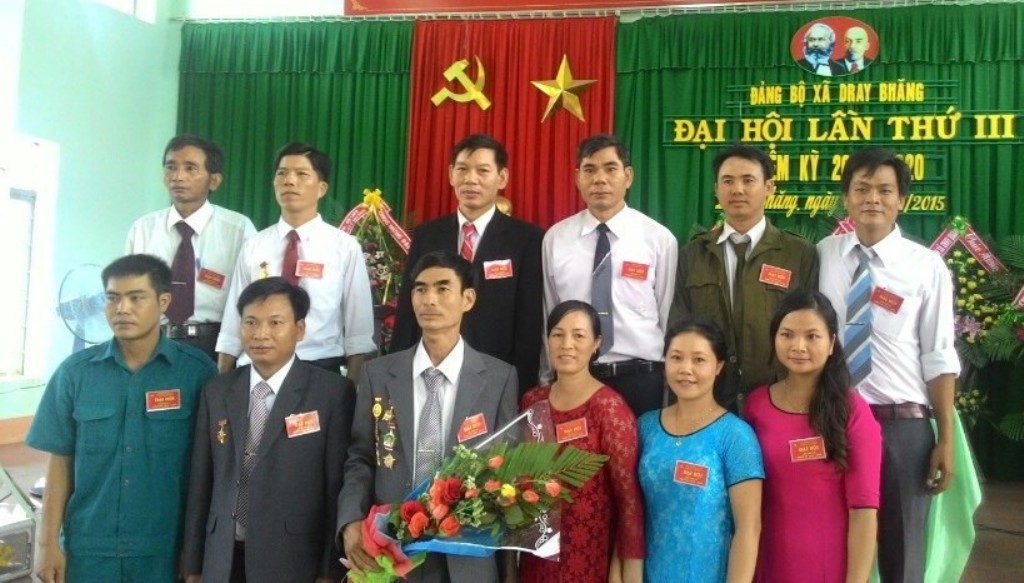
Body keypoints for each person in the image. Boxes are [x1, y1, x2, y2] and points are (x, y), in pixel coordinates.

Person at [27, 254, 217, 583]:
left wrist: (197, 550)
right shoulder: (75, 374)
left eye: (136, 297)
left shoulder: (198, 373)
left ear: (163, 302)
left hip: (164, 551)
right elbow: (60, 463)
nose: (122, 309)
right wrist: (47, 545)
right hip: (89, 550)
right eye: (112, 298)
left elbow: (209, 469)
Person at [818, 147, 960, 582]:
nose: (872, 199)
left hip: (902, 427)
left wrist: (945, 438)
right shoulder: (823, 254)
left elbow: (939, 356)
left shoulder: (926, 267)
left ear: (902, 200)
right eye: (861, 188)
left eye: (884, 190)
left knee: (901, 552)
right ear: (846, 198)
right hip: (833, 421)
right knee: (831, 544)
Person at [338, 251, 519, 583]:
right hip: (390, 552)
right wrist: (350, 521)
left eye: (442, 288)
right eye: (420, 289)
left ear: (468, 299)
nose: (429, 299)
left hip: (465, 559)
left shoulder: (499, 379)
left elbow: (506, 473)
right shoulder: (378, 374)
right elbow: (360, 457)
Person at [183, 278, 354, 583]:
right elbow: (201, 481)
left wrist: (329, 570)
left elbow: (335, 486)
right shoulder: (217, 391)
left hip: (292, 558)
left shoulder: (330, 393)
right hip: (222, 556)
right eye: (250, 322)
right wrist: (194, 565)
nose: (260, 334)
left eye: (275, 323)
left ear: (299, 329)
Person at [744, 290, 882, 582]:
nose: (798, 346)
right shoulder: (756, 406)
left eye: (812, 336)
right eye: (787, 335)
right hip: (768, 562)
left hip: (828, 565)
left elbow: (864, 511)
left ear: (831, 343)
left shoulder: (852, 411)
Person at [392, 134, 544, 394]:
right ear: (451, 174)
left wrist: (520, 389)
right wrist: (397, 375)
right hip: (430, 369)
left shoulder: (527, 239)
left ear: (502, 177)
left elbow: (528, 325)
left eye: (482, 171)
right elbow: (407, 311)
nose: (471, 179)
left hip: (495, 374)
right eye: (462, 169)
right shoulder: (427, 235)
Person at [671, 144, 819, 411]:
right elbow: (680, 326)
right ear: (716, 189)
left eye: (748, 180)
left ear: (769, 187)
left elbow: (811, 328)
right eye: (728, 181)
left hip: (779, 399)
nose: (737, 189)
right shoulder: (693, 254)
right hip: (709, 399)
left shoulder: (798, 253)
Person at [542, 133, 677, 417]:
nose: (600, 179)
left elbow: (667, 313)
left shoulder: (658, 239)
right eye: (590, 170)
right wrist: (547, 376)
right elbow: (550, 313)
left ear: (628, 176)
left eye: (610, 169)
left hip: (641, 379)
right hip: (576, 376)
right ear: (577, 177)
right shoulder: (556, 239)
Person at [215, 142, 376, 380]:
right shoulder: (254, 245)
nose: (289, 181)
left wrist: (352, 389)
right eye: (282, 173)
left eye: (301, 174)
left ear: (321, 188)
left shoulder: (344, 247)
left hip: (318, 367)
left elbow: (358, 331)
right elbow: (233, 320)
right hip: (257, 367)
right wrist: (223, 379)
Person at [520, 300, 645, 583]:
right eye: (558, 334)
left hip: (589, 556)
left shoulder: (609, 409)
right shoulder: (532, 402)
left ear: (596, 343)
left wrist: (628, 572)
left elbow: (629, 501)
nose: (567, 344)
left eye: (578, 335)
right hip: (537, 557)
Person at [638, 317, 763, 583]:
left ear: (718, 366)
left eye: (699, 360)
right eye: (676, 358)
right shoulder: (645, 427)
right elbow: (629, 514)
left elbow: (748, 529)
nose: (686, 369)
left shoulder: (735, 436)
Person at [126, 134, 256, 360]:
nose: (178, 177)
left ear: (214, 180)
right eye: (171, 167)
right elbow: (129, 294)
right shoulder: (143, 229)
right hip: (154, 343)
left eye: (190, 168)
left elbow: (253, 300)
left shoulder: (238, 230)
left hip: (214, 346)